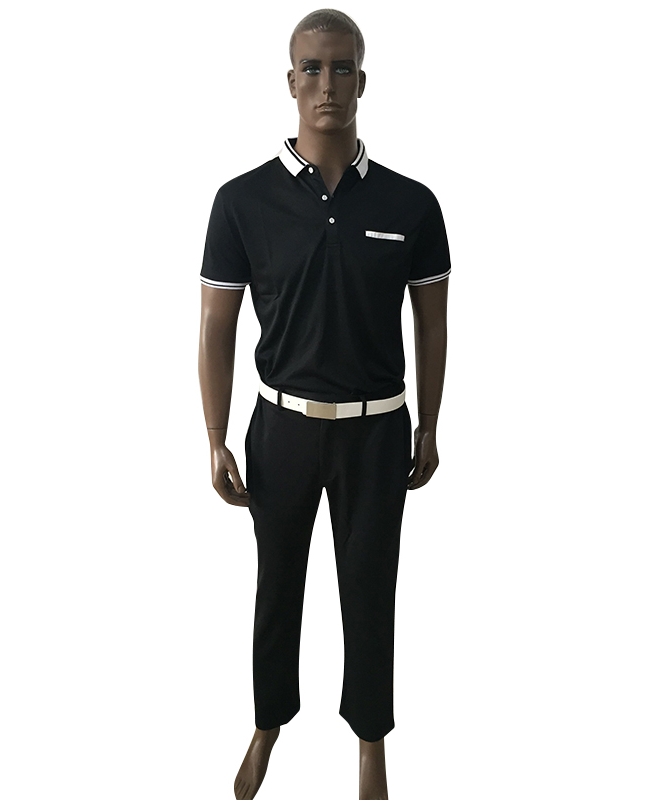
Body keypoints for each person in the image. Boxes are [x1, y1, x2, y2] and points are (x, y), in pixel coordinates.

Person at [198, 9, 449, 799]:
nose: (327, 84)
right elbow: (216, 323)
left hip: (378, 431)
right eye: (312, 68)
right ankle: (268, 722)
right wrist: (214, 435)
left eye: (343, 68)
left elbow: (432, 322)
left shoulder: (412, 205)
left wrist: (431, 423)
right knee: (277, 587)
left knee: (371, 590)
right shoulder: (241, 202)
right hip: (280, 428)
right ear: (290, 81)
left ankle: (371, 740)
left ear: (363, 81)